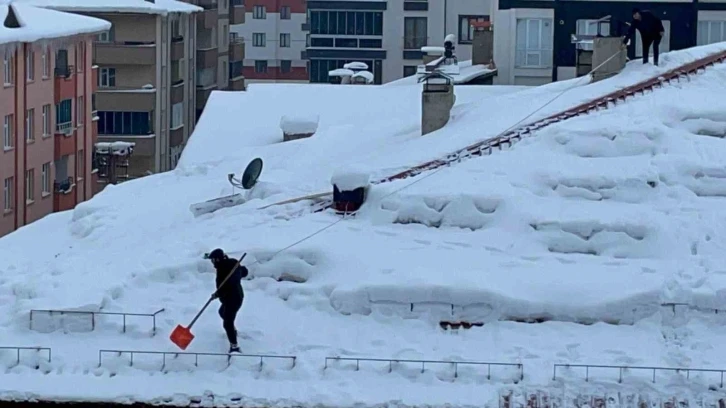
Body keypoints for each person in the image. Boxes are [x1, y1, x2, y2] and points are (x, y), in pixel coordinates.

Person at [208, 248, 248, 353]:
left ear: (217, 259)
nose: (212, 263)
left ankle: (234, 347)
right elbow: (244, 272)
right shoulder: (231, 263)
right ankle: (232, 331)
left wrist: (217, 294)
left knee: (227, 322)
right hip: (231, 297)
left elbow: (226, 287)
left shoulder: (224, 268)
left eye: (213, 260)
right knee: (222, 312)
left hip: (233, 299)